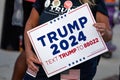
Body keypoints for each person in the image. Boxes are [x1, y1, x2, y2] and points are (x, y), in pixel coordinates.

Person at [12, 0, 112, 80]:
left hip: (74, 68)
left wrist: (105, 32)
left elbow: (108, 35)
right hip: (41, 64)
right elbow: (31, 24)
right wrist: (29, 52)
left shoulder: (94, 1)